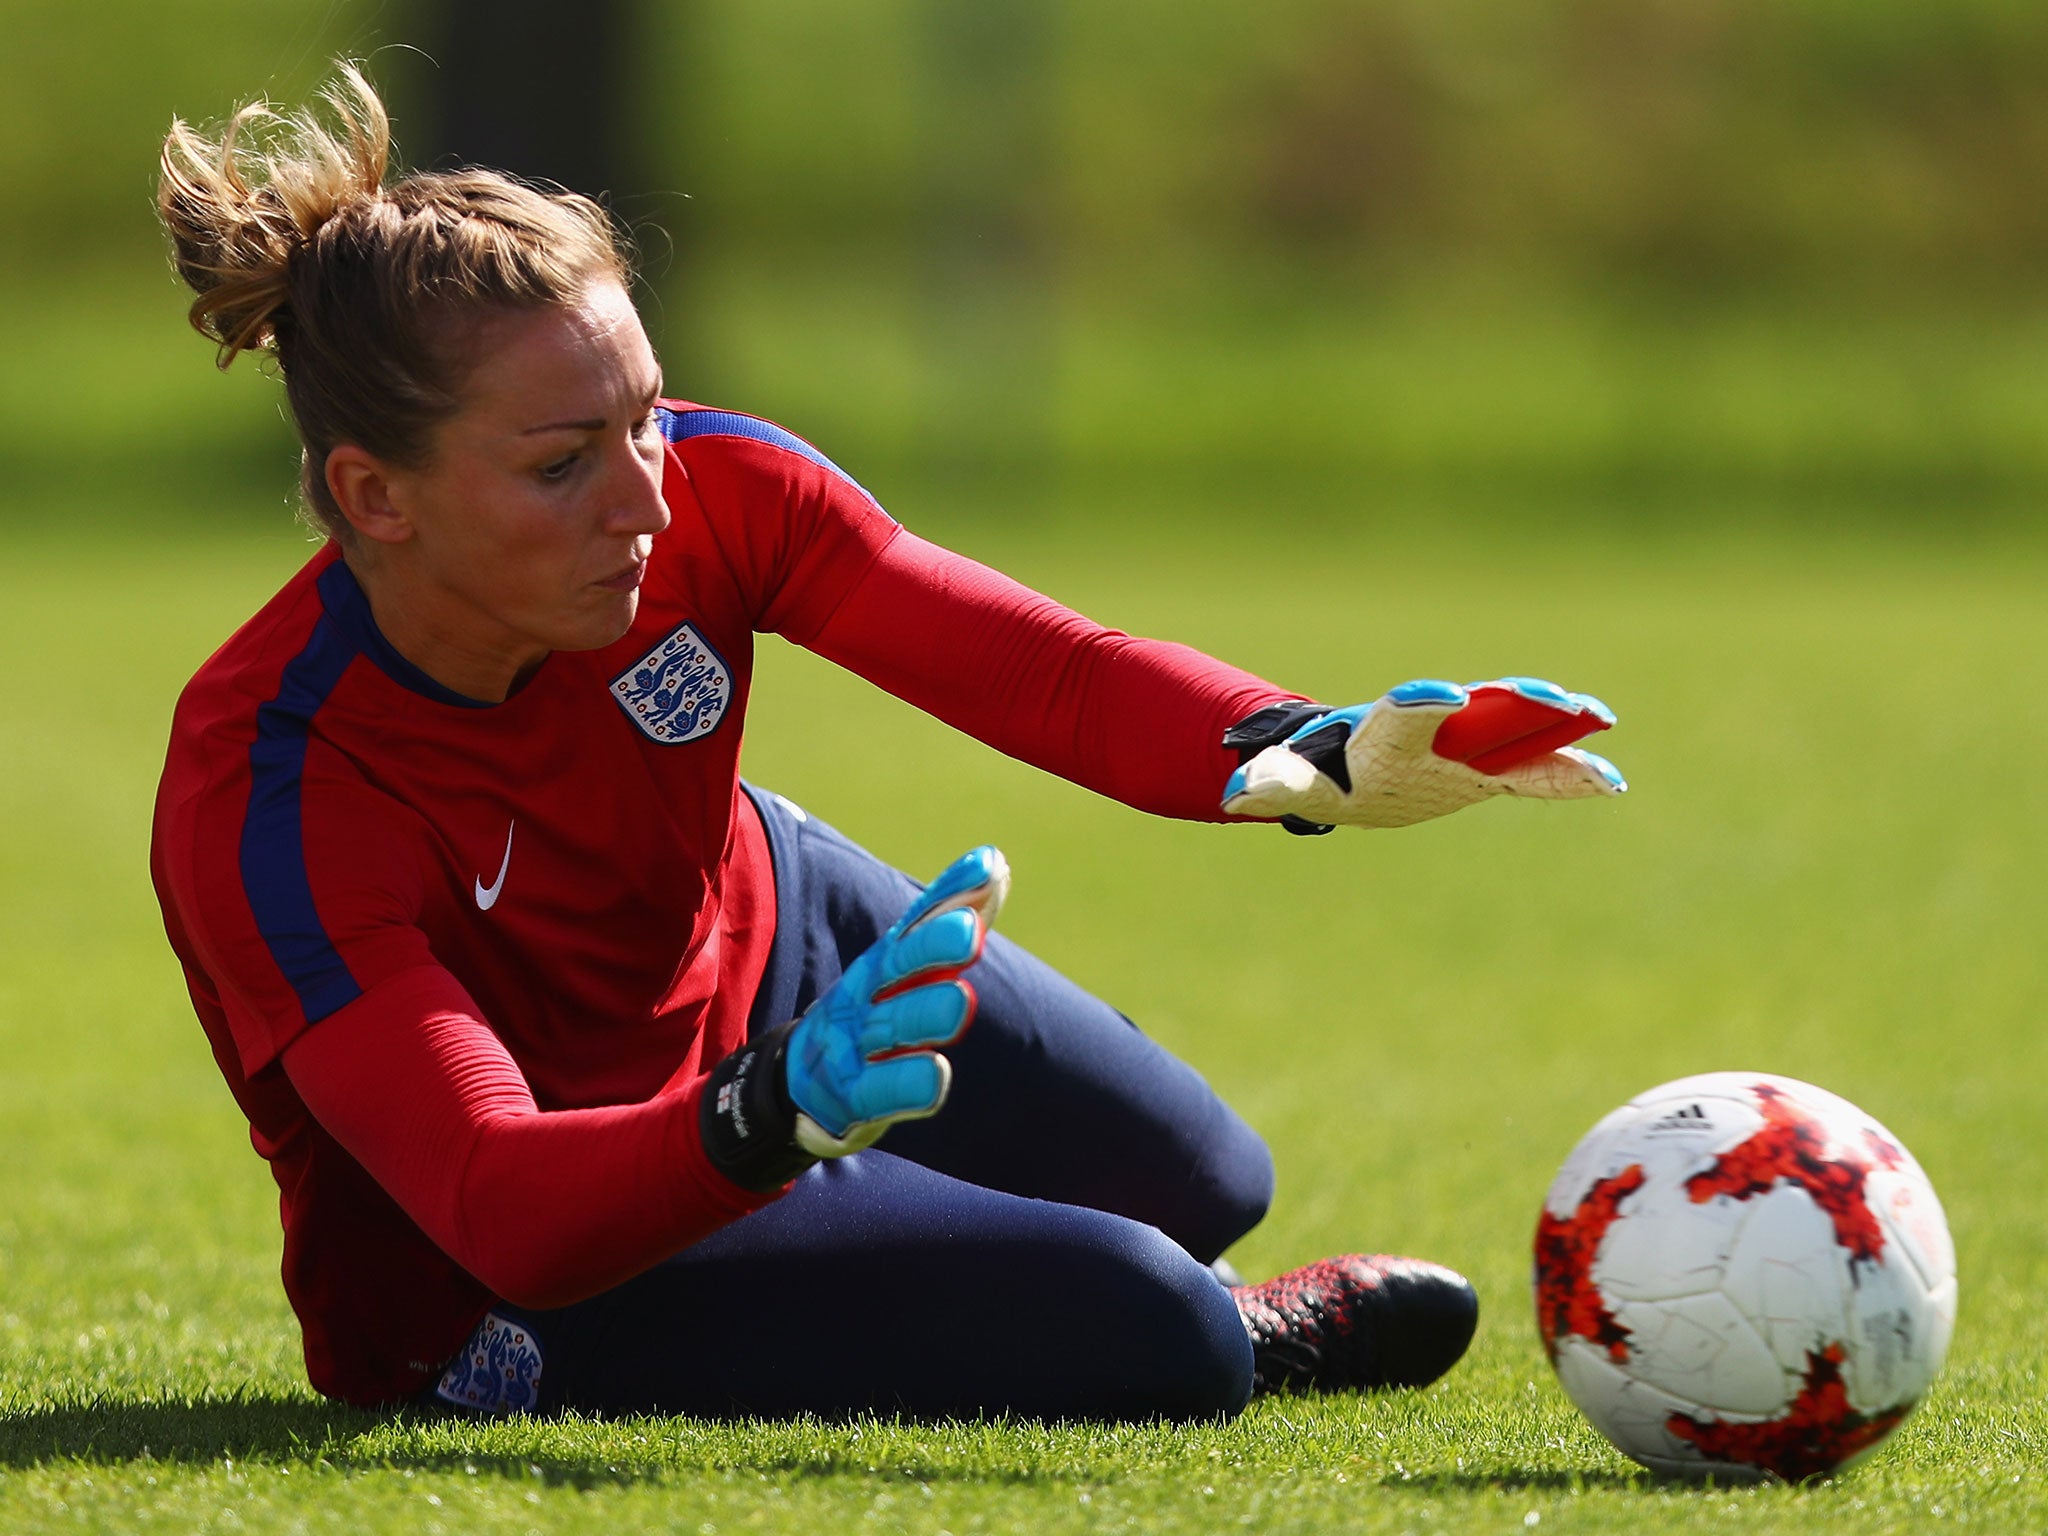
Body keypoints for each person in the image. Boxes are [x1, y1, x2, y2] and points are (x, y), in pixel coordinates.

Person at [149, 66, 1626, 1421]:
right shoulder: (267, 789)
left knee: (1207, 1180)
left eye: (647, 419)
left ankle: (897, 1232)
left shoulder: (716, 494)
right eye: (561, 464)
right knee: (1166, 1333)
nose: (648, 501)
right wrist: (768, 1113)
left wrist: (1309, 744)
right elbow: (492, 1194)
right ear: (376, 495)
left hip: (757, 938)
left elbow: (1043, 669)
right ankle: (1116, 1302)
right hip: (522, 1262)